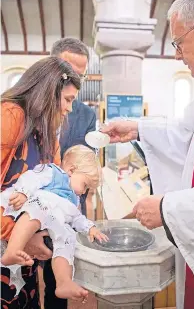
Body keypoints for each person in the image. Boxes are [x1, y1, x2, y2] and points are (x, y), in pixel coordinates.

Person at [101, 0, 194, 309]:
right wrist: (137, 127)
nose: (178, 55)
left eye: (179, 43)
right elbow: (186, 136)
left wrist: (167, 209)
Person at [1, 56, 81, 308]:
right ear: (48, 91)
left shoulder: (47, 134)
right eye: (67, 100)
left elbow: (51, 192)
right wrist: (17, 235)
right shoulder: (10, 116)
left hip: (22, 250)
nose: (69, 109)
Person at [1, 145, 108, 301]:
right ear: (71, 170)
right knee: (39, 207)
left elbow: (76, 217)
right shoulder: (54, 173)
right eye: (85, 185)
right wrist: (24, 192)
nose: (84, 192)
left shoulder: (73, 200)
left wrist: (89, 227)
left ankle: (64, 281)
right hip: (38, 207)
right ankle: (13, 249)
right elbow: (32, 177)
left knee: (68, 238)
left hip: (53, 222)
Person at [42, 37, 97, 309]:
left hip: (67, 205)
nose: (74, 78)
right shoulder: (31, 107)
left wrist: (80, 176)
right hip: (32, 203)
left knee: (58, 281)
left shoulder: (85, 114)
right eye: (68, 70)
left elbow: (86, 160)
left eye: (80, 74)